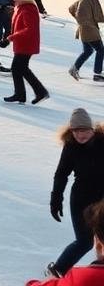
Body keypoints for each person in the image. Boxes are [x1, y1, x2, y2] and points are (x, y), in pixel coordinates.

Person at [43, 109, 104, 278]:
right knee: (84, 242)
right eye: (76, 131)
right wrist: (56, 199)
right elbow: (61, 174)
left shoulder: (102, 142)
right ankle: (57, 271)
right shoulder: (71, 146)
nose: (80, 135)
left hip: (102, 198)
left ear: (92, 129)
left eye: (84, 130)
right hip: (81, 199)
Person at [5, 0, 50, 105]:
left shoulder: (28, 9)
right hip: (23, 44)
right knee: (22, 69)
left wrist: (12, 37)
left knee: (16, 68)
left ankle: (24, 94)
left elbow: (29, 29)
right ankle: (36, 92)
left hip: (26, 44)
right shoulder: (20, 8)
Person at [69, 0, 104, 82]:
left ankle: (74, 69)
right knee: (101, 50)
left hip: (86, 30)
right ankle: (97, 74)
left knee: (88, 51)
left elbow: (71, 9)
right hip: (89, 30)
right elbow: (79, 14)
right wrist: (86, 23)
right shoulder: (87, 0)